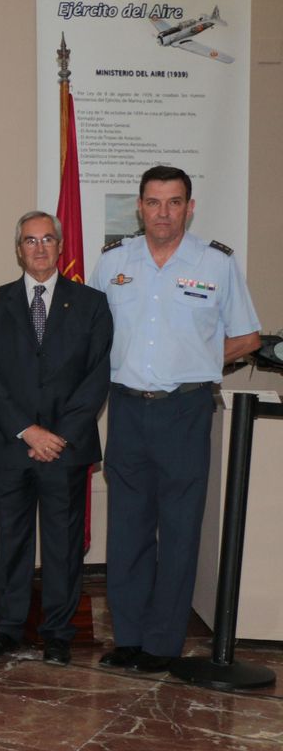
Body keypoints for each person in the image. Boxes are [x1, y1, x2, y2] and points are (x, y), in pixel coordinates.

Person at [89, 166, 261, 672]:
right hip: (124, 407)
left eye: (174, 202)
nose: (163, 212)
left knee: (180, 529)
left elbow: (248, 336)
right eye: (153, 202)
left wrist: (204, 359)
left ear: (189, 207)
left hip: (185, 410)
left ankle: (163, 644)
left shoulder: (216, 264)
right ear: (139, 207)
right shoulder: (113, 261)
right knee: (128, 528)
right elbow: (91, 332)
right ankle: (130, 637)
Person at [0, 212, 111, 667]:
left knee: (62, 544)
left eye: (48, 239)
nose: (39, 248)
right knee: (11, 541)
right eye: (30, 241)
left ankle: (57, 633)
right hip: (13, 445)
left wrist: (59, 436)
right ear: (18, 249)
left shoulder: (91, 304)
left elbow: (96, 377)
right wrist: (28, 430)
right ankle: (7, 629)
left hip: (66, 450)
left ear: (61, 245)